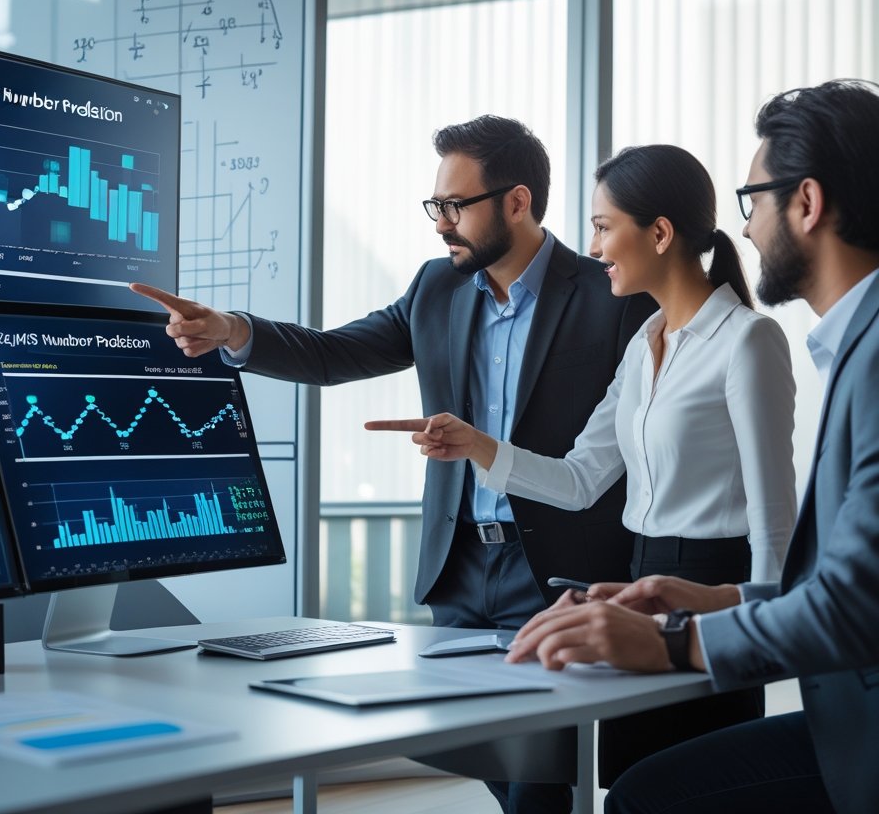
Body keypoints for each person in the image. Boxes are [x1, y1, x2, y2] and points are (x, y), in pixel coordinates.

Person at [133, 115, 654, 814]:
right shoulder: (435, 289)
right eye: (434, 206)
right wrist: (234, 331)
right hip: (462, 568)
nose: (441, 224)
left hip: (560, 568)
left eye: (454, 206)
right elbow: (334, 351)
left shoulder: (608, 293)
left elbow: (638, 443)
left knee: (542, 770)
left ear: (518, 201)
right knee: (488, 753)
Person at [500, 79, 879, 814]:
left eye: (754, 200)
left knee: (645, 794)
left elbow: (840, 590)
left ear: (806, 203)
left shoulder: (821, 348)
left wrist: (678, 639)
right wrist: (711, 601)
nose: (746, 227)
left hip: (856, 726)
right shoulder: (847, 345)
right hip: (716, 603)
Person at [366, 143, 797, 785]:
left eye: (602, 227)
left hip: (714, 594)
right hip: (640, 583)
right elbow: (578, 481)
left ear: (658, 233)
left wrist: (756, 637)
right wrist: (474, 444)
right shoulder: (643, 345)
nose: (593, 249)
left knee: (697, 789)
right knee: (628, 785)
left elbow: (773, 525)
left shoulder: (747, 341)